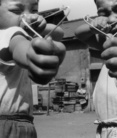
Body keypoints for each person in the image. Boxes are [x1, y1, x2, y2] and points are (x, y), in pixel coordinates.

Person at [0, 0, 66, 138]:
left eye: (34, 11)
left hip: (21, 122)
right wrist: (31, 57)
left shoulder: (24, 35)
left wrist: (39, 25)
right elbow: (19, 46)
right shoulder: (10, 33)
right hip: (7, 124)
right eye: (17, 11)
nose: (27, 16)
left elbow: (59, 32)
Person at [75, 0, 117, 137]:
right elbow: (79, 33)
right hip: (106, 128)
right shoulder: (110, 41)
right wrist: (93, 26)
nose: (110, 19)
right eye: (104, 13)